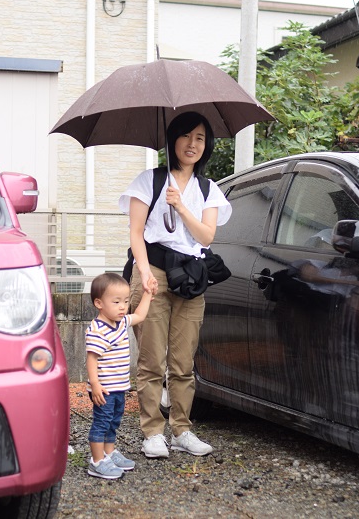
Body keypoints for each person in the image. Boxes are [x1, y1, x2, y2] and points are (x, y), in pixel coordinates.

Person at [119, 111, 232, 459]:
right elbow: (136, 233)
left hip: (192, 277)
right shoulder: (149, 181)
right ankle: (152, 431)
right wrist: (144, 272)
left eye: (200, 138)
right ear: (172, 140)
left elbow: (207, 235)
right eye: (186, 136)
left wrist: (181, 207)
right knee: (152, 360)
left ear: (206, 144)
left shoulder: (207, 189)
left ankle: (182, 429)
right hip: (153, 270)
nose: (192, 144)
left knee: (183, 362)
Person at [85, 272, 154, 479]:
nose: (123, 307)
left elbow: (140, 315)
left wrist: (148, 293)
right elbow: (91, 360)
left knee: (114, 421)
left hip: (119, 386)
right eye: (116, 302)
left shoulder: (122, 322)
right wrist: (95, 384)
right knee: (102, 422)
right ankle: (96, 462)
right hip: (104, 388)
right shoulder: (98, 330)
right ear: (99, 303)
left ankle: (109, 452)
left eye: (125, 301)